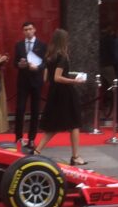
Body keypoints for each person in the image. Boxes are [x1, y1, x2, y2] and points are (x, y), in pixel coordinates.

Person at [34, 28, 87, 165]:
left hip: (54, 93)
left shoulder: (49, 57)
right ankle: (75, 156)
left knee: (53, 125)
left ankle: (37, 151)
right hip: (65, 93)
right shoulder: (63, 57)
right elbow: (57, 78)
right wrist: (74, 81)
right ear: (64, 41)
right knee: (74, 124)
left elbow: (46, 78)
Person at [13, 21, 46, 152]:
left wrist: (38, 67)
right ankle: (18, 137)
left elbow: (45, 62)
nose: (28, 31)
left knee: (35, 110)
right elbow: (15, 62)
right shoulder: (19, 45)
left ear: (34, 30)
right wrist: (19, 64)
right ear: (23, 32)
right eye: (25, 30)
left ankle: (32, 138)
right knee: (20, 109)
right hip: (23, 81)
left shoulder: (41, 45)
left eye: (30, 29)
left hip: (36, 80)